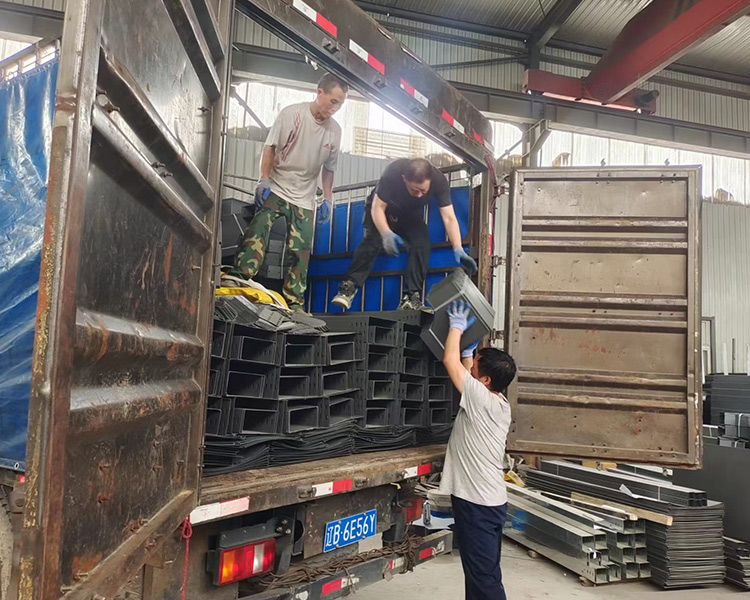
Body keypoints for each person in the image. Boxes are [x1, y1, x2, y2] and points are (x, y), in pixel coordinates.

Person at [222, 73, 348, 311]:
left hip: (305, 198)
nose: (335, 108)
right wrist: (264, 179)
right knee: (258, 229)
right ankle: (239, 275)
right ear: (320, 92)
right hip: (277, 185)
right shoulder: (293, 114)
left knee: (300, 250)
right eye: (333, 101)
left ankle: (294, 302)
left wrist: (328, 198)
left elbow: (329, 169)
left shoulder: (335, 131)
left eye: (340, 104)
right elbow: (270, 148)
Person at [439, 300, 517, 600]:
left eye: (475, 365)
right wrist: (470, 351)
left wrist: (457, 328)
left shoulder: (480, 399)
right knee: (481, 572)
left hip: (477, 504)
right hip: (489, 501)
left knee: (484, 579)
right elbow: (465, 367)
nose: (470, 365)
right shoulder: (496, 401)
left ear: (485, 380)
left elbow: (449, 360)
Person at [331, 158, 477, 311]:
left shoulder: (439, 181)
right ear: (404, 179)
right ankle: (348, 288)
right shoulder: (393, 173)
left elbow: (449, 218)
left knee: (421, 242)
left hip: (408, 213)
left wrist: (458, 247)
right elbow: (377, 208)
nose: (419, 195)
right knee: (373, 240)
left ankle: (410, 297)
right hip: (382, 209)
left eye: (424, 191)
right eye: (415, 190)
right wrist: (386, 233)